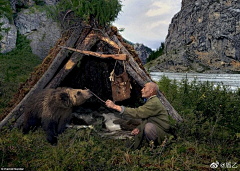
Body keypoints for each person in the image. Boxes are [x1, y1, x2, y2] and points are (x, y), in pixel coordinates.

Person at [105, 82, 170, 149]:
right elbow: (150, 120)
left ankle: (155, 148)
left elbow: (137, 112)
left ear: (151, 91)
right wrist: (139, 128)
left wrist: (115, 107)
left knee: (148, 127)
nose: (142, 90)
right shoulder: (152, 101)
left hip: (164, 134)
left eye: (144, 88)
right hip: (160, 131)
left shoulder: (154, 103)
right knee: (144, 126)